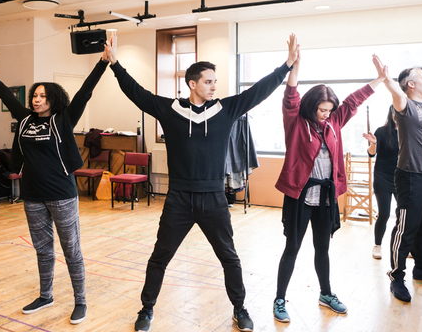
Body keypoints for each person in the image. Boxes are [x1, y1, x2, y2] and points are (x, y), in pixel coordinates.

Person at [104, 31, 300, 332]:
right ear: (192, 83)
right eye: (208, 81)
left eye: (215, 82)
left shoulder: (226, 109)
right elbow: (136, 92)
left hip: (214, 199)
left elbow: (259, 91)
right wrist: (115, 64)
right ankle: (146, 310)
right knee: (160, 257)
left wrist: (286, 65)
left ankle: (239, 308)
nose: (213, 87)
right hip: (178, 199)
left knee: (229, 258)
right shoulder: (170, 110)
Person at [0, 46, 109, 323]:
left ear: (53, 99)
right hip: (32, 194)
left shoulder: (64, 119)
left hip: (62, 193)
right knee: (42, 249)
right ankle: (46, 294)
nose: (37, 100)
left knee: (71, 249)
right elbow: (5, 94)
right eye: (34, 96)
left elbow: (85, 92)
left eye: (42, 96)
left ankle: (80, 301)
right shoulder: (25, 119)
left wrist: (102, 62)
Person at [272, 53, 386, 323]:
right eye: (321, 110)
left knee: (322, 248)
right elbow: (290, 97)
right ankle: (279, 299)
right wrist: (295, 66)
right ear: (311, 107)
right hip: (300, 197)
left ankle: (326, 293)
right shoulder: (296, 122)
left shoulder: (334, 122)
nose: (326, 114)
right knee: (292, 248)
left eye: (329, 110)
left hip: (325, 198)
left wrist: (379, 79)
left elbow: (354, 100)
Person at [375, 55, 422, 303]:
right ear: (410, 84)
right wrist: (386, 78)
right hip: (410, 177)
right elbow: (396, 94)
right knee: (405, 229)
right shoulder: (405, 106)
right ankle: (397, 277)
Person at [363, 105, 399, 260]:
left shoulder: (407, 132)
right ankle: (377, 245)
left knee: (404, 214)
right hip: (382, 177)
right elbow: (371, 154)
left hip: (401, 178)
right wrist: (374, 143)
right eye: (395, 112)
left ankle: (403, 245)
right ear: (391, 113)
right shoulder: (381, 131)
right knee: (384, 214)